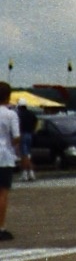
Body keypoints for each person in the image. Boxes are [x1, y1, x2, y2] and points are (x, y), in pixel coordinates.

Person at [0, 83, 20, 240]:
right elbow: (16, 137)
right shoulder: (10, 114)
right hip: (4, 155)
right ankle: (1, 227)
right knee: (3, 193)